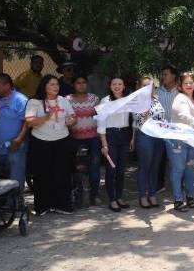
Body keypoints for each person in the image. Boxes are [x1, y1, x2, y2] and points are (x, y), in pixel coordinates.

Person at [25, 75, 76, 215]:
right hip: (41, 141)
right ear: (44, 86)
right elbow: (30, 122)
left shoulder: (63, 100)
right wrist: (47, 116)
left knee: (62, 173)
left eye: (57, 84)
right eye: (52, 84)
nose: (56, 87)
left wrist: (72, 120)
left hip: (62, 140)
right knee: (42, 174)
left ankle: (63, 205)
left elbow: (72, 116)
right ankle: (43, 207)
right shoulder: (34, 102)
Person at [167, 72, 194, 212]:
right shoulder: (180, 98)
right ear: (180, 86)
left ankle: (190, 197)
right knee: (178, 169)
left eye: (191, 82)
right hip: (179, 140)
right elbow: (184, 115)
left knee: (189, 168)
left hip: (192, 139)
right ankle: (178, 200)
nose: (189, 85)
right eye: (186, 83)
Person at [0, 73, 29, 189]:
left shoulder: (20, 100)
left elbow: (27, 122)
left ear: (7, 85)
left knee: (15, 172)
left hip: (15, 147)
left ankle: (16, 201)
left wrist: (19, 140)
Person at [97, 76, 132, 213]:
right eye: (114, 84)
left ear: (124, 86)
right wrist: (104, 144)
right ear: (110, 86)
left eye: (120, 84)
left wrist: (132, 138)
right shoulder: (105, 101)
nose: (117, 86)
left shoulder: (128, 100)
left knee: (121, 169)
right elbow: (101, 124)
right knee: (111, 169)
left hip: (124, 135)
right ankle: (112, 199)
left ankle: (119, 197)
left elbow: (131, 120)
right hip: (110, 135)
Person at [67, 75, 102, 205]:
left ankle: (95, 194)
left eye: (83, 82)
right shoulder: (68, 100)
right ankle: (78, 194)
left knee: (94, 167)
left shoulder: (94, 99)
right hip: (75, 139)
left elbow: (101, 116)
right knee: (76, 168)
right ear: (73, 85)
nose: (81, 85)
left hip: (93, 138)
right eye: (78, 82)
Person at [132, 76, 166, 209]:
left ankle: (152, 194)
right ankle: (142, 196)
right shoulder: (136, 101)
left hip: (158, 137)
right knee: (144, 167)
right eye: (145, 85)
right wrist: (145, 110)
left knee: (155, 167)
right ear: (140, 87)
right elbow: (138, 120)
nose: (149, 88)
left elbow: (162, 117)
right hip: (145, 136)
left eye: (151, 85)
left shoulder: (156, 99)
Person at [156, 65, 180, 192]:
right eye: (163, 74)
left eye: (166, 74)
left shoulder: (180, 92)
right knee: (160, 158)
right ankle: (159, 184)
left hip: (176, 130)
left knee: (176, 159)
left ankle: (179, 186)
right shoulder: (158, 92)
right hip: (160, 130)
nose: (163, 77)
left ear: (173, 76)